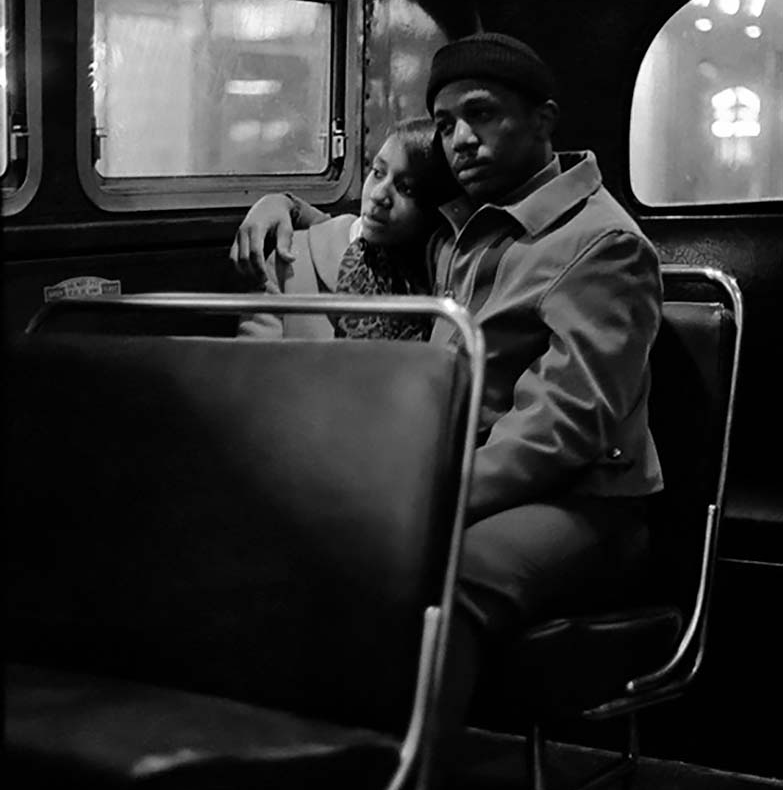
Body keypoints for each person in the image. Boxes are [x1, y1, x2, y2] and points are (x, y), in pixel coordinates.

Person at [230, 32, 663, 668]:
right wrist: (283, 206)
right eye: (445, 122)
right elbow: (366, 229)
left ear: (542, 120)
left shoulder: (602, 244)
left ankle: (415, 765)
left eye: (482, 114)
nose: (461, 138)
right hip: (464, 477)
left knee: (445, 582)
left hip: (582, 502)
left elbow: (564, 427)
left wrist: (422, 494)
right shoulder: (467, 224)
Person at [233, 116, 458, 341]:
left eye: (405, 188)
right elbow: (251, 366)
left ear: (435, 208)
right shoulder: (292, 259)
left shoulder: (450, 279)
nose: (379, 195)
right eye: (378, 172)